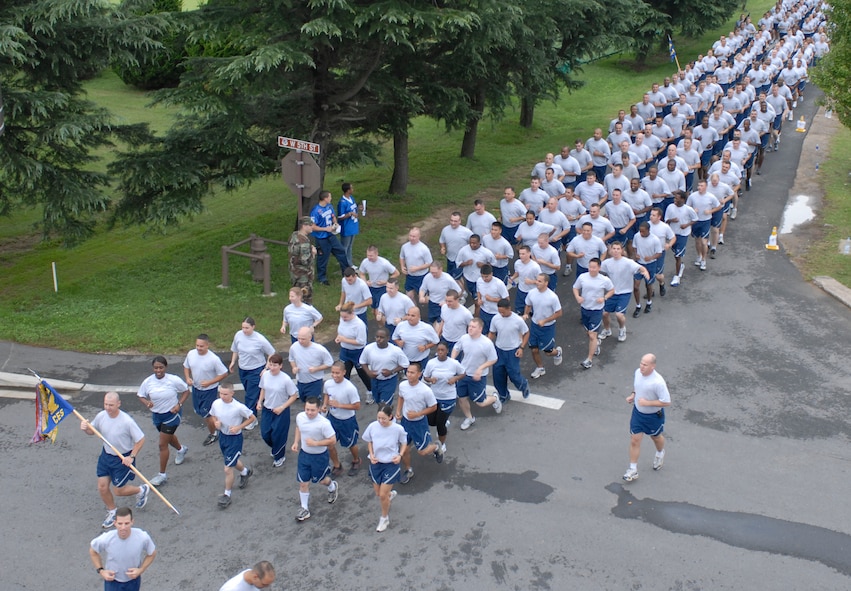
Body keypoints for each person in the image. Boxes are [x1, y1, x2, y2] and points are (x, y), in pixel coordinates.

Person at [80, 393, 149, 529]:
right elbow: (92, 431)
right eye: (106, 404)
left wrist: (132, 456)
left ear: (119, 404)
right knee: (102, 486)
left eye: (111, 405)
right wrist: (86, 428)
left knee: (118, 491)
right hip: (106, 456)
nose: (108, 408)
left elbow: (140, 439)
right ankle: (112, 511)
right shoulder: (101, 416)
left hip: (123, 458)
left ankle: (141, 490)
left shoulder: (127, 421)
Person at [137, 356, 190, 487]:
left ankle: (162, 475)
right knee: (168, 437)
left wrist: (179, 405)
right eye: (156, 368)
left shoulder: (173, 380)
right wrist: (147, 402)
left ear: (165, 367)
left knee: (162, 444)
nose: (158, 370)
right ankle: (181, 449)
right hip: (157, 416)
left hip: (172, 415)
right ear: (152, 368)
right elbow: (140, 395)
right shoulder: (148, 382)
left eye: (161, 367)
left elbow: (186, 391)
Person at [623, 354, 671, 482]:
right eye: (641, 363)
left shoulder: (658, 382)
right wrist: (633, 395)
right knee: (635, 440)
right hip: (638, 413)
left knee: (656, 437)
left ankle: (660, 453)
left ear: (652, 366)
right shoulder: (638, 373)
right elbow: (637, 386)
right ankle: (632, 469)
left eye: (645, 364)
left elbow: (666, 402)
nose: (641, 366)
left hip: (653, 416)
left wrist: (647, 403)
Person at [291, 396, 339, 522]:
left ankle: (332, 486)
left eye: (312, 410)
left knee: (322, 480)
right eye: (307, 409)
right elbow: (298, 428)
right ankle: (304, 508)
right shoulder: (300, 417)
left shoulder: (324, 423)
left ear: (318, 409)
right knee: (303, 483)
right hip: (304, 455)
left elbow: (332, 440)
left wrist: (315, 443)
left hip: (319, 457)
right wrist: (296, 442)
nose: (309, 413)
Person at [362, 405, 408, 532]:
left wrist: (400, 455)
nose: (381, 421)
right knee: (379, 493)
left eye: (384, 418)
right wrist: (371, 454)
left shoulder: (398, 429)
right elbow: (369, 441)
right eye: (379, 418)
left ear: (390, 417)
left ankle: (384, 518)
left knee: (382, 495)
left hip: (390, 464)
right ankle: (389, 494)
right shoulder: (372, 426)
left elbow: (404, 442)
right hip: (376, 463)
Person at [209, 382, 256, 508]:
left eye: (225, 394)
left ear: (232, 393)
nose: (222, 396)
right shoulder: (216, 403)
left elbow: (252, 418)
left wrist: (239, 427)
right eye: (221, 393)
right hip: (223, 437)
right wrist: (216, 423)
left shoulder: (238, 407)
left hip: (235, 439)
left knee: (227, 468)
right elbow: (213, 415)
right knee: (232, 461)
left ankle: (227, 495)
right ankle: (245, 472)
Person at [396, 363, 444, 483]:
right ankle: (408, 470)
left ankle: (436, 447)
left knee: (422, 451)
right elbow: (401, 397)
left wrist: (418, 414)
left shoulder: (425, 391)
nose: (409, 375)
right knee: (404, 449)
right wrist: (398, 411)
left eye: (412, 372)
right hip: (405, 422)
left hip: (419, 424)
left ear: (419, 374)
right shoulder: (402, 385)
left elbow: (433, 407)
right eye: (408, 372)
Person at [89, 507, 156, 591]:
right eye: (120, 524)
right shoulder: (107, 538)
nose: (123, 527)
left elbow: (152, 553)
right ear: (115, 523)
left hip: (133, 581)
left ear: (132, 522)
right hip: (112, 582)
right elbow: (93, 551)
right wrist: (101, 571)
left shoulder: (142, 537)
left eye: (126, 523)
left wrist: (141, 570)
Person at [452, 318, 500, 430]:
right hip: (463, 374)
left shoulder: (486, 343)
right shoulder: (464, 338)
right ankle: (469, 418)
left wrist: (480, 368)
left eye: (473, 327)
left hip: (478, 377)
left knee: (480, 402)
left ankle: (494, 398)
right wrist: (453, 360)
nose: (470, 328)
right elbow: (456, 348)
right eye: (469, 326)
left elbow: (493, 359)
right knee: (462, 398)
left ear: (480, 329)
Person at [183, 334, 229, 447]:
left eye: (201, 346)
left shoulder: (213, 359)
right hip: (196, 388)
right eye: (197, 345)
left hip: (209, 391)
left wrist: (210, 382)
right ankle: (219, 421)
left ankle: (214, 434)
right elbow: (186, 366)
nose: (198, 348)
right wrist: (187, 378)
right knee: (199, 411)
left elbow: (224, 373)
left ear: (207, 345)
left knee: (207, 415)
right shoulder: (191, 354)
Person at [229, 317, 275, 425]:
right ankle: (267, 402)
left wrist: (266, 368)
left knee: (250, 395)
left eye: (247, 328)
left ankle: (251, 419)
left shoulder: (259, 339)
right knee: (252, 392)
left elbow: (271, 353)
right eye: (243, 327)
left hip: (256, 370)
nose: (244, 330)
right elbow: (235, 349)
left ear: (253, 327)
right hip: (243, 369)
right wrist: (232, 362)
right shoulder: (238, 335)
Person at [600, 243, 648, 343]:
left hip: (624, 293)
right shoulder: (607, 263)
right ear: (610, 250)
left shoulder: (628, 262)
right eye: (614, 249)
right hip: (611, 292)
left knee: (619, 315)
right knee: (604, 313)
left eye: (618, 249)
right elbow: (597, 270)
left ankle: (622, 329)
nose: (616, 251)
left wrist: (645, 272)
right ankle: (607, 330)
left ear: (622, 251)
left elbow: (640, 268)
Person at [257, 354, 298, 468]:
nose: (272, 367)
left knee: (278, 434)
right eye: (270, 364)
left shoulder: (285, 379)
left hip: (281, 411)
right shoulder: (265, 375)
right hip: (267, 409)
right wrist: (260, 402)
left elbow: (293, 396)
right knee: (265, 433)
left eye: (275, 365)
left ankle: (279, 456)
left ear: (280, 366)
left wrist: (282, 407)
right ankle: (276, 448)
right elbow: (263, 389)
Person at [322, 361, 362, 477]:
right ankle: (337, 465)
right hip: (332, 418)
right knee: (330, 443)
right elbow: (326, 394)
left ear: (344, 372)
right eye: (332, 372)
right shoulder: (328, 384)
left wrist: (339, 405)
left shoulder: (350, 388)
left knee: (351, 444)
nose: (334, 375)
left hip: (347, 420)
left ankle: (356, 460)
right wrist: (324, 405)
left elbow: (357, 406)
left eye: (337, 373)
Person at [572, 258, 614, 369]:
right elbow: (575, 287)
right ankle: (596, 343)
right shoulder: (583, 277)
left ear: (599, 268)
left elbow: (612, 290)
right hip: (585, 308)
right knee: (588, 333)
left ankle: (589, 360)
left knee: (591, 335)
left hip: (597, 310)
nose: (592, 269)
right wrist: (577, 297)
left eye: (594, 267)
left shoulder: (604, 280)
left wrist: (604, 298)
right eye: (590, 267)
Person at [423, 342, 464, 453]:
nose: (440, 352)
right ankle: (444, 420)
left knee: (440, 424)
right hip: (434, 396)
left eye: (442, 350)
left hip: (448, 397)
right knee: (431, 421)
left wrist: (455, 379)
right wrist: (431, 380)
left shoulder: (454, 363)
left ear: (447, 351)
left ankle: (441, 444)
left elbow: (463, 373)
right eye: (438, 350)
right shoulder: (431, 363)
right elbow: (426, 376)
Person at [488, 298, 530, 401]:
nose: (501, 314)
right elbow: (492, 333)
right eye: (499, 312)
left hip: (512, 351)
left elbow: (526, 333)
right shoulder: (495, 319)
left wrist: (522, 348)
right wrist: (487, 345)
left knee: (514, 375)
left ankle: (523, 385)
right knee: (498, 375)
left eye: (503, 311)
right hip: (499, 350)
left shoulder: (518, 320)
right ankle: (504, 395)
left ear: (509, 308)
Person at [524, 273, 563, 378]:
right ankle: (540, 368)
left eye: (540, 281)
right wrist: (526, 314)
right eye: (537, 280)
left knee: (548, 352)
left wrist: (545, 321)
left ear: (546, 283)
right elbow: (528, 304)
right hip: (534, 325)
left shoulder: (552, 297)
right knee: (534, 349)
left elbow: (559, 313)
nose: (537, 282)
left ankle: (557, 352)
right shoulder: (532, 293)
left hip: (547, 328)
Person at [359, 327, 409, 405]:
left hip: (389, 382)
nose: (378, 339)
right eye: (377, 337)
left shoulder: (395, 351)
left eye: (382, 337)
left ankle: (384, 416)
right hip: (375, 381)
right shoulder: (368, 348)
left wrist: (391, 372)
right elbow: (362, 361)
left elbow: (405, 364)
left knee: (384, 407)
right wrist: (368, 372)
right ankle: (384, 417)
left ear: (388, 338)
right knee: (378, 403)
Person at [310, 190, 349, 285]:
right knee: (323, 257)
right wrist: (325, 229)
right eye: (329, 197)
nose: (331, 198)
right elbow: (312, 226)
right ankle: (322, 278)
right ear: (325, 198)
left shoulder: (329, 206)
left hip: (331, 236)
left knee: (341, 251)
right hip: (321, 238)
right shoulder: (316, 211)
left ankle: (347, 273)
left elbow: (333, 216)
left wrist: (335, 223)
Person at [335, 301, 372, 394]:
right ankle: (344, 392)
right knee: (343, 373)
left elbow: (361, 342)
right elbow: (341, 330)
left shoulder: (359, 325)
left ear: (352, 313)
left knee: (363, 374)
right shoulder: (342, 319)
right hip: (345, 351)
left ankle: (371, 391)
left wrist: (344, 339)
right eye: (342, 317)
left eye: (345, 317)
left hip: (358, 352)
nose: (343, 319)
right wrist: (339, 337)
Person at [288, 326, 334, 401]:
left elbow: (329, 363)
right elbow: (291, 359)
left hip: (314, 382)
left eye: (303, 339)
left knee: (313, 404)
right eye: (298, 338)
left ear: (310, 337)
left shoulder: (319, 349)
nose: (300, 341)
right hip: (301, 382)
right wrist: (294, 367)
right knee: (305, 403)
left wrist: (317, 368)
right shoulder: (294, 347)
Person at [664, 190, 698, 287]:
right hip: (673, 234)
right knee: (676, 254)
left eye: (677, 199)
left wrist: (687, 225)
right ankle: (681, 266)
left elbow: (695, 219)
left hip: (683, 234)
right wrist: (671, 220)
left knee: (678, 255)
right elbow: (666, 220)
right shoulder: (670, 207)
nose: (675, 200)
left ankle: (677, 276)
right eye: (674, 198)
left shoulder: (688, 209)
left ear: (683, 199)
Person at [631, 222, 664, 317]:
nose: (641, 233)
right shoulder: (637, 236)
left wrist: (651, 257)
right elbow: (634, 247)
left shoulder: (655, 240)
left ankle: (649, 302)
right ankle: (638, 305)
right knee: (636, 286)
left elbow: (659, 253)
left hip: (650, 265)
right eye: (640, 231)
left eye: (643, 231)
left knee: (648, 285)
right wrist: (636, 254)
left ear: (648, 230)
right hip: (639, 264)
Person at [358, 245, 399, 321]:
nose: (369, 257)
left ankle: (386, 328)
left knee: (378, 311)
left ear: (377, 254)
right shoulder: (365, 262)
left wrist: (386, 282)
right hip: (371, 289)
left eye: (371, 256)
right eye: (368, 255)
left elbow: (396, 273)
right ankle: (381, 327)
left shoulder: (384, 263)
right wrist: (365, 282)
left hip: (382, 288)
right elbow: (361, 273)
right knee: (374, 311)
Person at [455, 233, 496, 301]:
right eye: (470, 243)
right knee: (474, 296)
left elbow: (493, 263)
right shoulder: (463, 250)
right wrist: (466, 263)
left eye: (474, 243)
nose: (472, 245)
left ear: (479, 242)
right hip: (469, 278)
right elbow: (458, 263)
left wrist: (483, 265)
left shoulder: (486, 252)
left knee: (479, 299)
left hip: (482, 279)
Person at [399, 226, 433, 301]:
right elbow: (401, 256)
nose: (411, 238)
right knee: (409, 296)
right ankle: (414, 311)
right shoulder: (405, 247)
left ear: (419, 236)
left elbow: (429, 263)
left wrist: (417, 268)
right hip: (410, 276)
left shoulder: (424, 249)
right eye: (410, 236)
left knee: (423, 298)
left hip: (421, 276)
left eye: (414, 236)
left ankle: (430, 307)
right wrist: (402, 266)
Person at [288, 217, 316, 304]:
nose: (312, 227)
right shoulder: (304, 241)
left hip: (294, 272)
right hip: (303, 276)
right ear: (304, 226)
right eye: (310, 225)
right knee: (305, 298)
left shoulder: (294, 236)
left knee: (296, 295)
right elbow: (305, 261)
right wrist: (313, 253)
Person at [475, 264, 509, 334]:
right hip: (484, 311)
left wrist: (492, 299)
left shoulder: (499, 284)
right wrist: (479, 299)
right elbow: (478, 290)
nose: (484, 279)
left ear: (491, 274)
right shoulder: (479, 281)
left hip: (496, 313)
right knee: (483, 333)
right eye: (482, 276)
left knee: (498, 333)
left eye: (486, 276)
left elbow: (507, 300)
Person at [509, 244, 541, 315]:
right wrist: (512, 277)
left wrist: (531, 281)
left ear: (529, 253)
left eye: (523, 254)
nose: (521, 256)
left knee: (533, 314)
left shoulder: (535, 267)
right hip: (521, 291)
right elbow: (517, 273)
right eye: (520, 254)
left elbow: (541, 281)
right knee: (519, 312)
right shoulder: (517, 263)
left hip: (532, 292)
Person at [439, 211, 474, 278]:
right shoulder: (445, 230)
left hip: (460, 260)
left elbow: (474, 242)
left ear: (460, 221)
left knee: (457, 278)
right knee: (450, 276)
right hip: (450, 258)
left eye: (455, 221)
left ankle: (460, 288)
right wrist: (442, 247)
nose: (453, 223)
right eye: (451, 220)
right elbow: (442, 240)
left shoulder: (466, 232)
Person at [337, 182, 360, 268]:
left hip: (353, 226)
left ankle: (349, 263)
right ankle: (344, 264)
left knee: (350, 246)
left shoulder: (351, 198)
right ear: (348, 190)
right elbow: (340, 217)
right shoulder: (342, 202)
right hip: (346, 227)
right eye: (351, 188)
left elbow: (353, 208)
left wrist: (358, 208)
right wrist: (350, 214)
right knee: (345, 247)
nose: (353, 189)